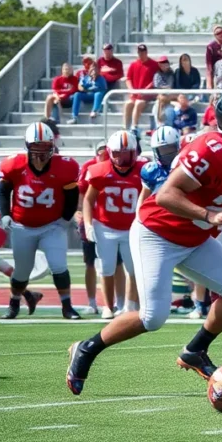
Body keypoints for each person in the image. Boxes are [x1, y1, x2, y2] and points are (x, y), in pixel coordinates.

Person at [66, 88, 222, 395]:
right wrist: (208, 214)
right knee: (153, 317)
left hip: (196, 238)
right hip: (157, 234)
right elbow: (165, 194)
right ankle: (86, 348)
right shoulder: (211, 148)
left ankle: (195, 350)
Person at [0, 122, 81, 319]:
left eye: (44, 147)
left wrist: (65, 219)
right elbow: (4, 189)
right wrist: (5, 214)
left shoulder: (65, 166)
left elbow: (72, 195)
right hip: (22, 225)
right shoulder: (14, 164)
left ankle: (67, 307)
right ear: (27, 146)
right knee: (23, 270)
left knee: (58, 264)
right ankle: (14, 303)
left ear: (52, 146)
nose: (40, 152)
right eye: (35, 146)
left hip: (52, 225)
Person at [82, 131, 142, 321]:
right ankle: (108, 307)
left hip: (132, 227)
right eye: (117, 153)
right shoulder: (100, 170)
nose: (121, 158)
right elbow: (88, 200)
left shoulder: (143, 169)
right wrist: (87, 223)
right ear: (110, 152)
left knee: (134, 269)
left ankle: (130, 306)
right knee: (106, 268)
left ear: (134, 152)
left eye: (126, 153)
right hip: (105, 226)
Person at [123, 44, 159, 135]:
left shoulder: (154, 65)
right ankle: (125, 128)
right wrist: (131, 90)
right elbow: (128, 79)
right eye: (140, 52)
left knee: (139, 103)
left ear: (146, 52)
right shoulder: (133, 64)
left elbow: (155, 80)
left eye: (143, 52)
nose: (141, 54)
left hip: (147, 95)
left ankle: (134, 127)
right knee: (128, 104)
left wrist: (145, 90)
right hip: (135, 94)